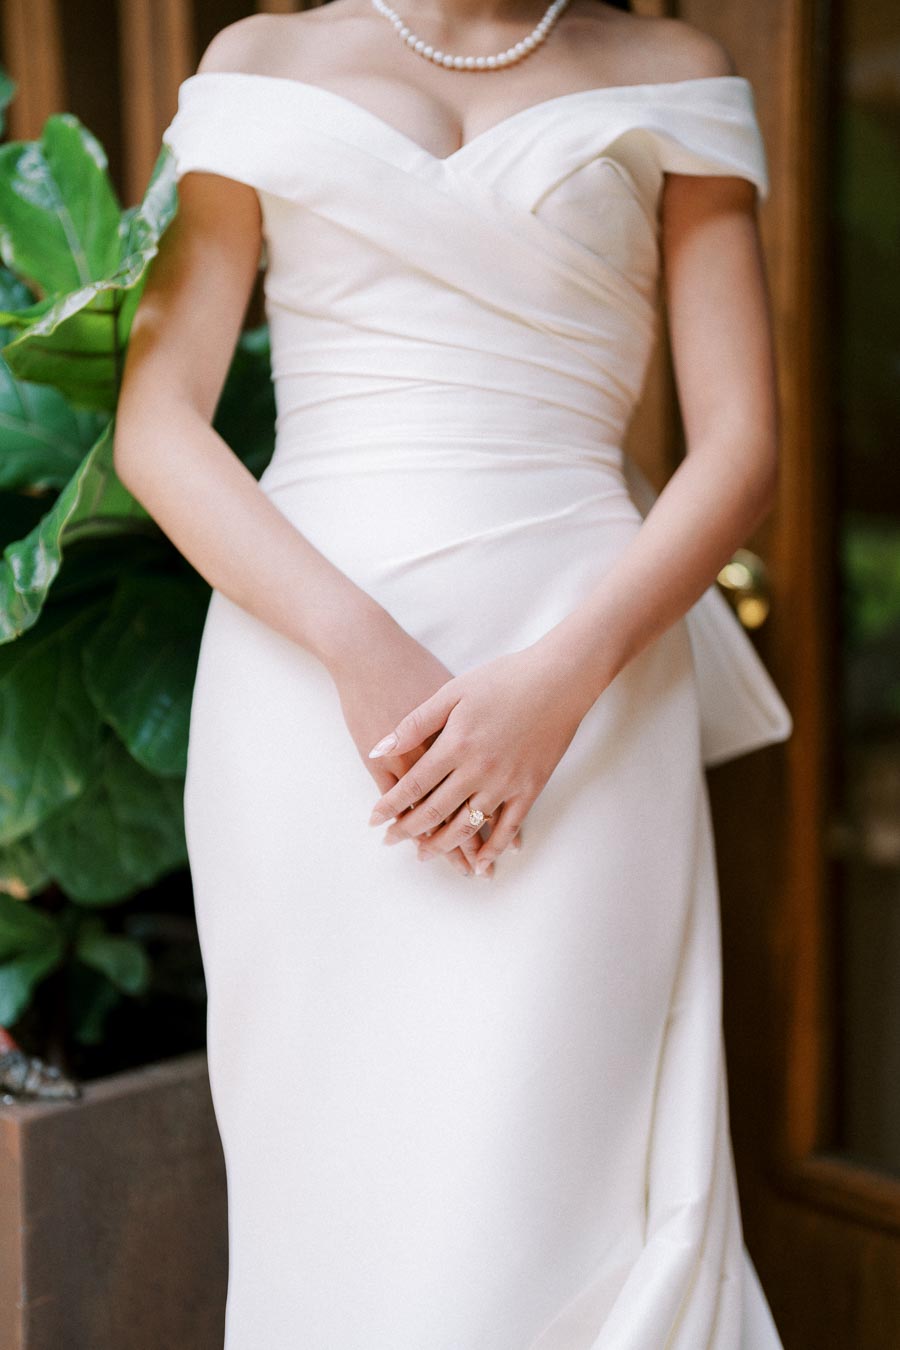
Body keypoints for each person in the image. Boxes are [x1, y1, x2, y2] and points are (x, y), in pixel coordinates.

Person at [113, 1, 793, 1344]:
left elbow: (744, 447)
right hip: (305, 690)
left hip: (590, 688)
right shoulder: (260, 63)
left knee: (555, 1165)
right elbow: (159, 427)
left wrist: (558, 684)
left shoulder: (672, 71)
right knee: (338, 1163)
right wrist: (357, 649)